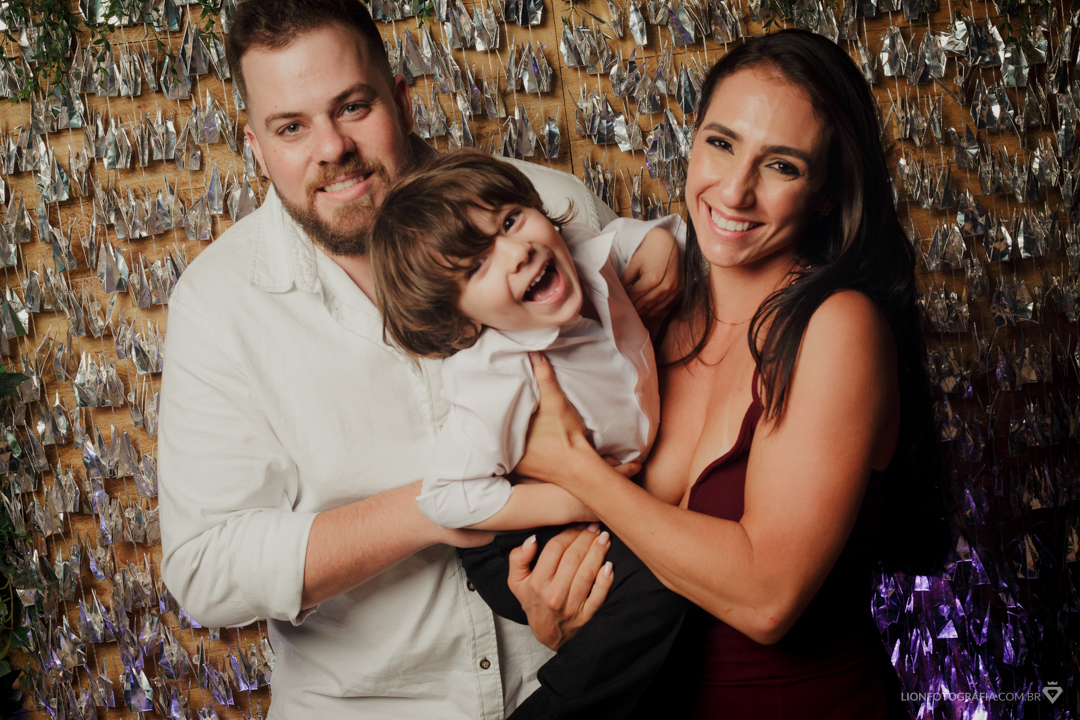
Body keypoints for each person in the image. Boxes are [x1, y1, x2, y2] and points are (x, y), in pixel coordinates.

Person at [156, 1, 681, 717]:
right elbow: (205, 568)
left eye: (353, 106)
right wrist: (445, 507)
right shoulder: (218, 303)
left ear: (401, 100)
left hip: (567, 669)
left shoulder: (546, 206)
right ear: (256, 144)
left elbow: (671, 402)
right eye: (291, 127)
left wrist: (665, 250)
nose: (331, 147)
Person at [511, 30, 949, 719]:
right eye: (721, 143)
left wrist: (578, 470)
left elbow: (767, 597)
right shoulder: (649, 318)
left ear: (827, 193)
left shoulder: (839, 326)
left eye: (781, 166)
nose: (736, 191)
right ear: (692, 144)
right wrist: (563, 612)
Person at [367, 150, 687, 719]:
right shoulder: (495, 373)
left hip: (604, 495)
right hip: (522, 536)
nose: (517, 252)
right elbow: (446, 499)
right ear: (462, 319)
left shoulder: (585, 254)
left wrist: (663, 242)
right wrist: (576, 498)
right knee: (664, 584)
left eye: (511, 220)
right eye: (476, 267)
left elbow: (639, 239)